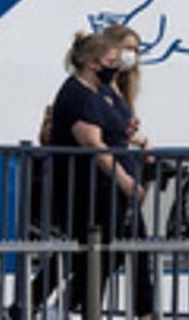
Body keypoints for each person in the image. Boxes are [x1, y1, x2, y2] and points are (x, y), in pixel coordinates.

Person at [52, 32, 152, 317]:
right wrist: (126, 181)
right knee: (98, 252)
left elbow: (118, 128)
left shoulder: (101, 92)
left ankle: (140, 311)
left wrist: (139, 143)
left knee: (119, 250)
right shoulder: (80, 96)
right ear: (93, 63)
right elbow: (95, 146)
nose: (116, 67)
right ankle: (67, 306)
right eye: (111, 61)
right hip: (92, 187)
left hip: (108, 187)